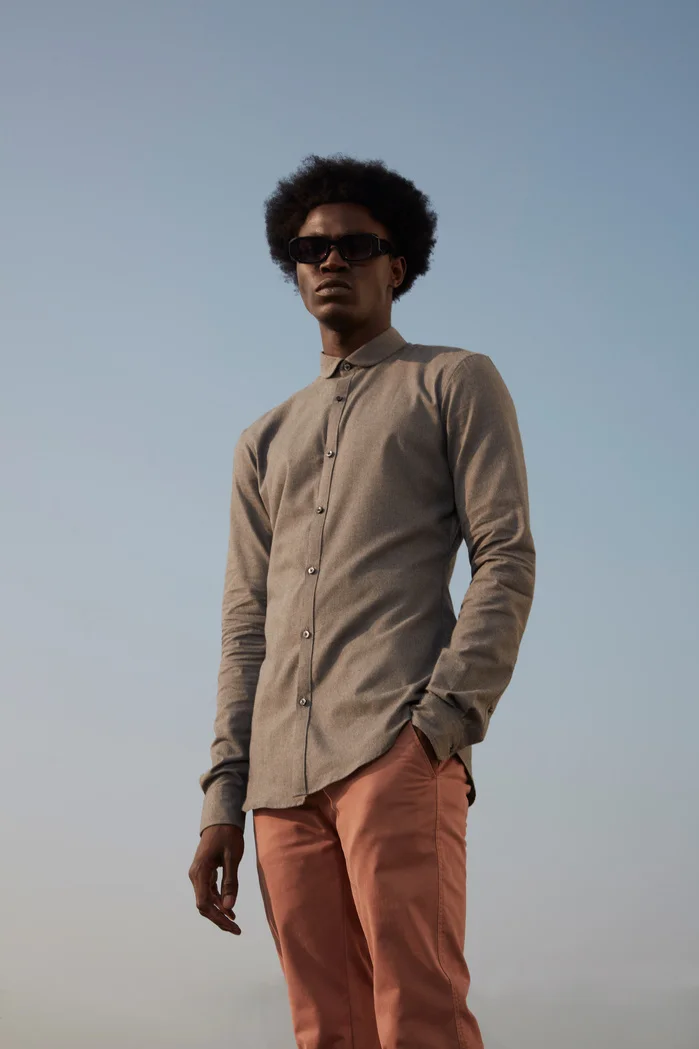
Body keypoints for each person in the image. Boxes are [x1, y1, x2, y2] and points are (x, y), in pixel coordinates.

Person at [188, 154, 536, 1049]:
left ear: (398, 266)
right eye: (310, 249)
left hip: (395, 741)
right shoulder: (261, 442)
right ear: (293, 268)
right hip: (275, 784)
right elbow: (244, 630)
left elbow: (504, 554)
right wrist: (224, 799)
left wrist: (442, 721)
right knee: (324, 1031)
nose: (330, 260)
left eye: (354, 244)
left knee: (417, 1016)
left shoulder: (453, 380)